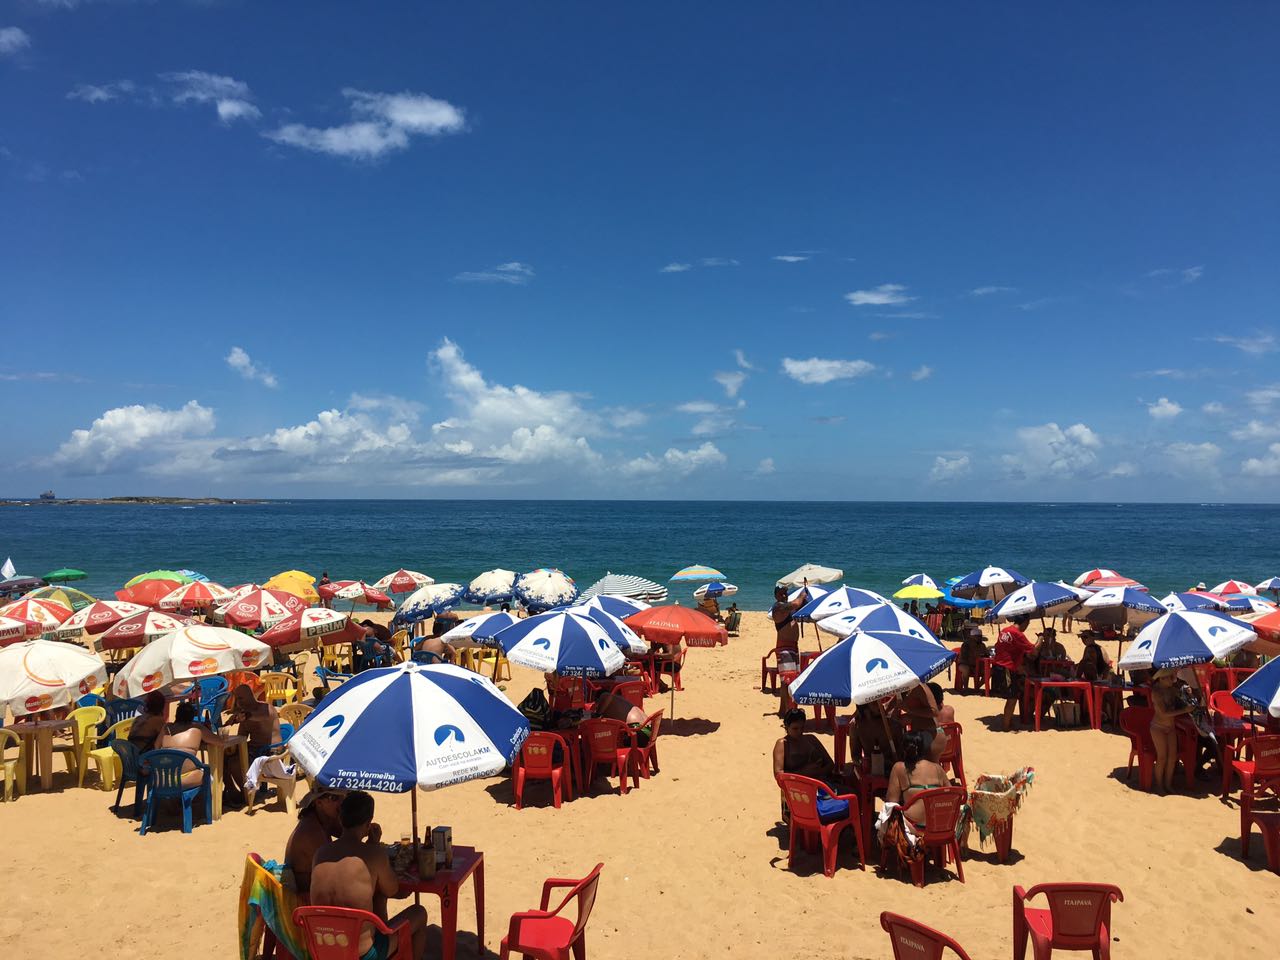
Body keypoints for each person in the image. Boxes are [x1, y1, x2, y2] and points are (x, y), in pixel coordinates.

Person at [310, 791, 428, 960]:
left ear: (341, 819)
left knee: (377, 900)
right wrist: (373, 846)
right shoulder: (374, 854)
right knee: (419, 913)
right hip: (364, 955)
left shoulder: (320, 854)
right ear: (368, 823)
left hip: (324, 949)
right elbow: (392, 889)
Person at [283, 788, 346, 903]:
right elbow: (336, 872)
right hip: (304, 899)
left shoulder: (324, 818)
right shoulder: (312, 832)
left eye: (343, 797)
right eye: (334, 798)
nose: (341, 802)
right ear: (318, 802)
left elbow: (346, 833)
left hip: (315, 890)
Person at [884, 731, 951, 826]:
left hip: (913, 826)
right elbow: (951, 794)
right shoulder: (937, 768)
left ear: (903, 749)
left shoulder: (899, 768)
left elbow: (891, 802)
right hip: (939, 825)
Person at [158, 700, 230, 787]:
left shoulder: (167, 728)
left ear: (176, 715)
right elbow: (219, 742)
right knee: (208, 776)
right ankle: (203, 800)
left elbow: (156, 746)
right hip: (185, 778)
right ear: (192, 717)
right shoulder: (197, 728)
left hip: (163, 778)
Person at [1150, 668, 1195, 794]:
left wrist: (1189, 693)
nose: (1173, 679)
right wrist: (1185, 710)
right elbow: (1163, 713)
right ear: (1162, 679)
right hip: (1158, 727)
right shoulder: (1156, 693)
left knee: (1172, 758)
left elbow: (1183, 697)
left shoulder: (1171, 690)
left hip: (1170, 727)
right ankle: (1159, 785)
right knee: (1162, 757)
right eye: (1170, 677)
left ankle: (1168, 784)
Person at [772, 708, 842, 787]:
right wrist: (804, 773)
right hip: (794, 788)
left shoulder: (811, 739)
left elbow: (830, 764)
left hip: (818, 784)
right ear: (786, 727)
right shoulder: (783, 744)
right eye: (795, 728)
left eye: (802, 728)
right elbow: (779, 775)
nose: (799, 731)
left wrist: (818, 773)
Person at [994, 614, 1035, 731]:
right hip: (1006, 668)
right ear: (1025, 622)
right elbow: (1033, 650)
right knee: (1012, 698)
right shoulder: (1017, 634)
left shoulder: (1004, 631)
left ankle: (1009, 722)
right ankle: (1006, 726)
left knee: (1013, 696)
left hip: (1000, 667)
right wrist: (1041, 639)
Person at [770, 585, 807, 713]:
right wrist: (802, 595)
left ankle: (782, 710)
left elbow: (798, 606)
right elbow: (796, 603)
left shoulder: (787, 610)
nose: (784, 596)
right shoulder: (778, 607)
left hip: (792, 647)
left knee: (787, 681)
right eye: (781, 594)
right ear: (776, 596)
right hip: (785, 647)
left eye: (785, 593)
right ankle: (787, 711)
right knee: (787, 681)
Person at [955, 625, 988, 692]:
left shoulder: (982, 645)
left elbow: (986, 654)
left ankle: (977, 687)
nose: (979, 638)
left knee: (990, 671)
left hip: (977, 665)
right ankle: (966, 688)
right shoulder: (966, 645)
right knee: (966, 669)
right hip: (965, 664)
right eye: (977, 637)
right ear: (972, 637)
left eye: (980, 637)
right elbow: (964, 658)